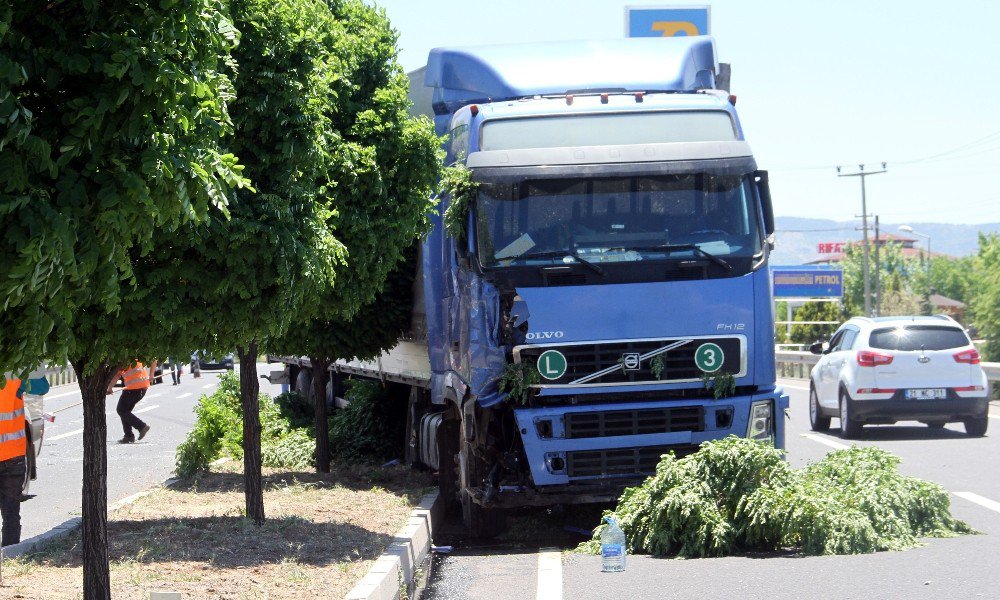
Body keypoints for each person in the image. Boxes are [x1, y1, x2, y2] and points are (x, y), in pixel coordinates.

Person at [0, 375, 47, 547]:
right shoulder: (14, 376)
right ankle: (9, 555)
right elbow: (42, 386)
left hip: (13, 456)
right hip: (13, 456)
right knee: (11, 513)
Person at [111, 361, 155, 444]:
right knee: (125, 411)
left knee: (121, 410)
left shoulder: (122, 358)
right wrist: (151, 375)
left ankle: (142, 426)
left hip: (133, 388)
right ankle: (128, 436)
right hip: (143, 387)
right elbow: (154, 360)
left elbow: (117, 375)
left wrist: (109, 388)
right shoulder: (136, 353)